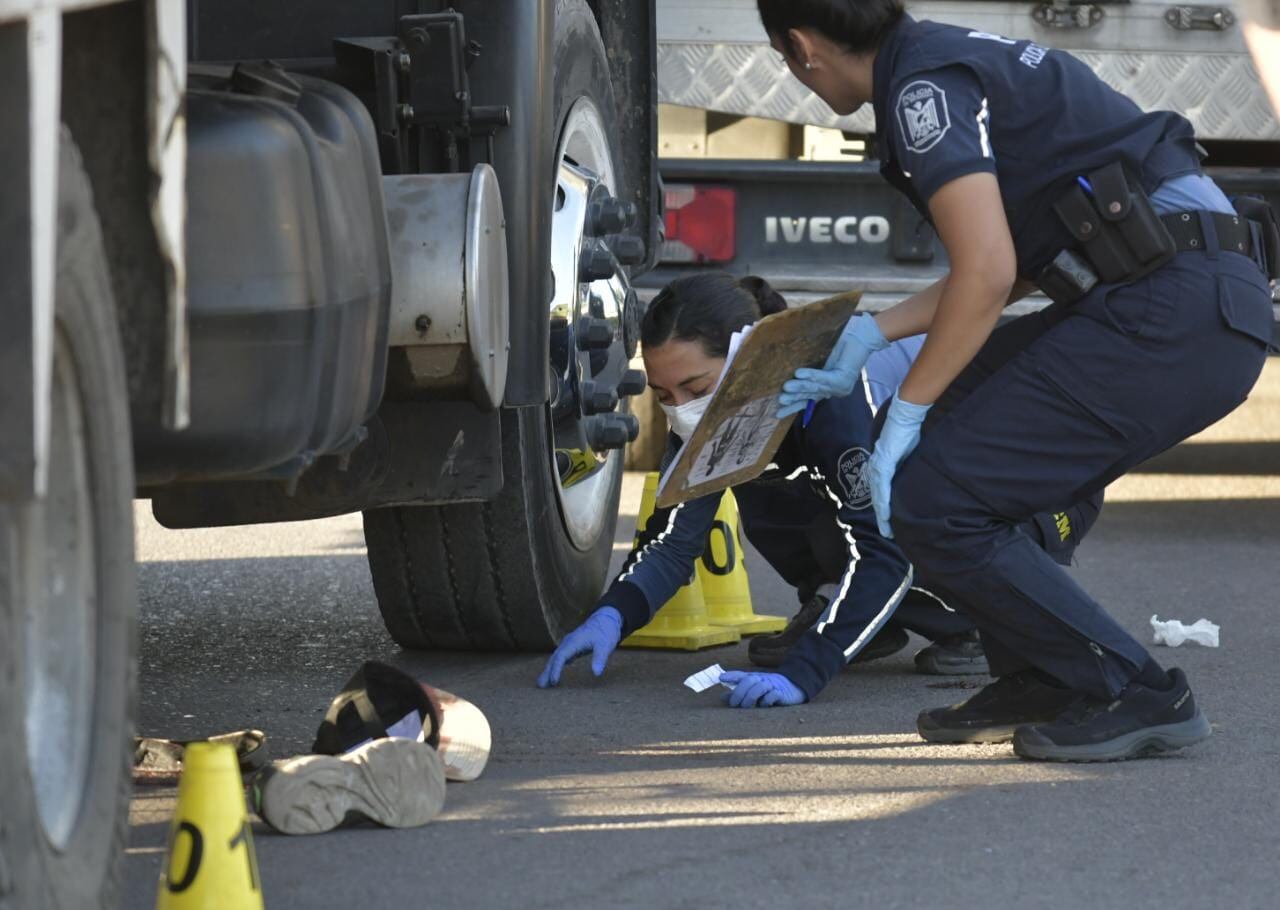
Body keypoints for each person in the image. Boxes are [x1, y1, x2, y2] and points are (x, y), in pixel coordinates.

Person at [763, 0, 1275, 757]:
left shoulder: (919, 90)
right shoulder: (938, 57)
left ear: (802, 47)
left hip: (1176, 307)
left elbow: (990, 273)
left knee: (934, 493)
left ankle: (1134, 688)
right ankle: (1042, 671)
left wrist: (907, 405)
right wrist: (874, 333)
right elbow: (1023, 258)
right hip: (1173, 292)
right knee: (943, 455)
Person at [536, 273, 1100, 707]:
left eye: (695, 387)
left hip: (1041, 499)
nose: (680, 411)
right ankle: (865, 618)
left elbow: (887, 552)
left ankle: (979, 622)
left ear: (750, 359)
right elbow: (672, 541)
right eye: (662, 394)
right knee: (770, 489)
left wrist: (810, 667)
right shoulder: (708, 417)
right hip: (932, 498)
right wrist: (612, 614)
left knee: (893, 520)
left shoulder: (838, 391)